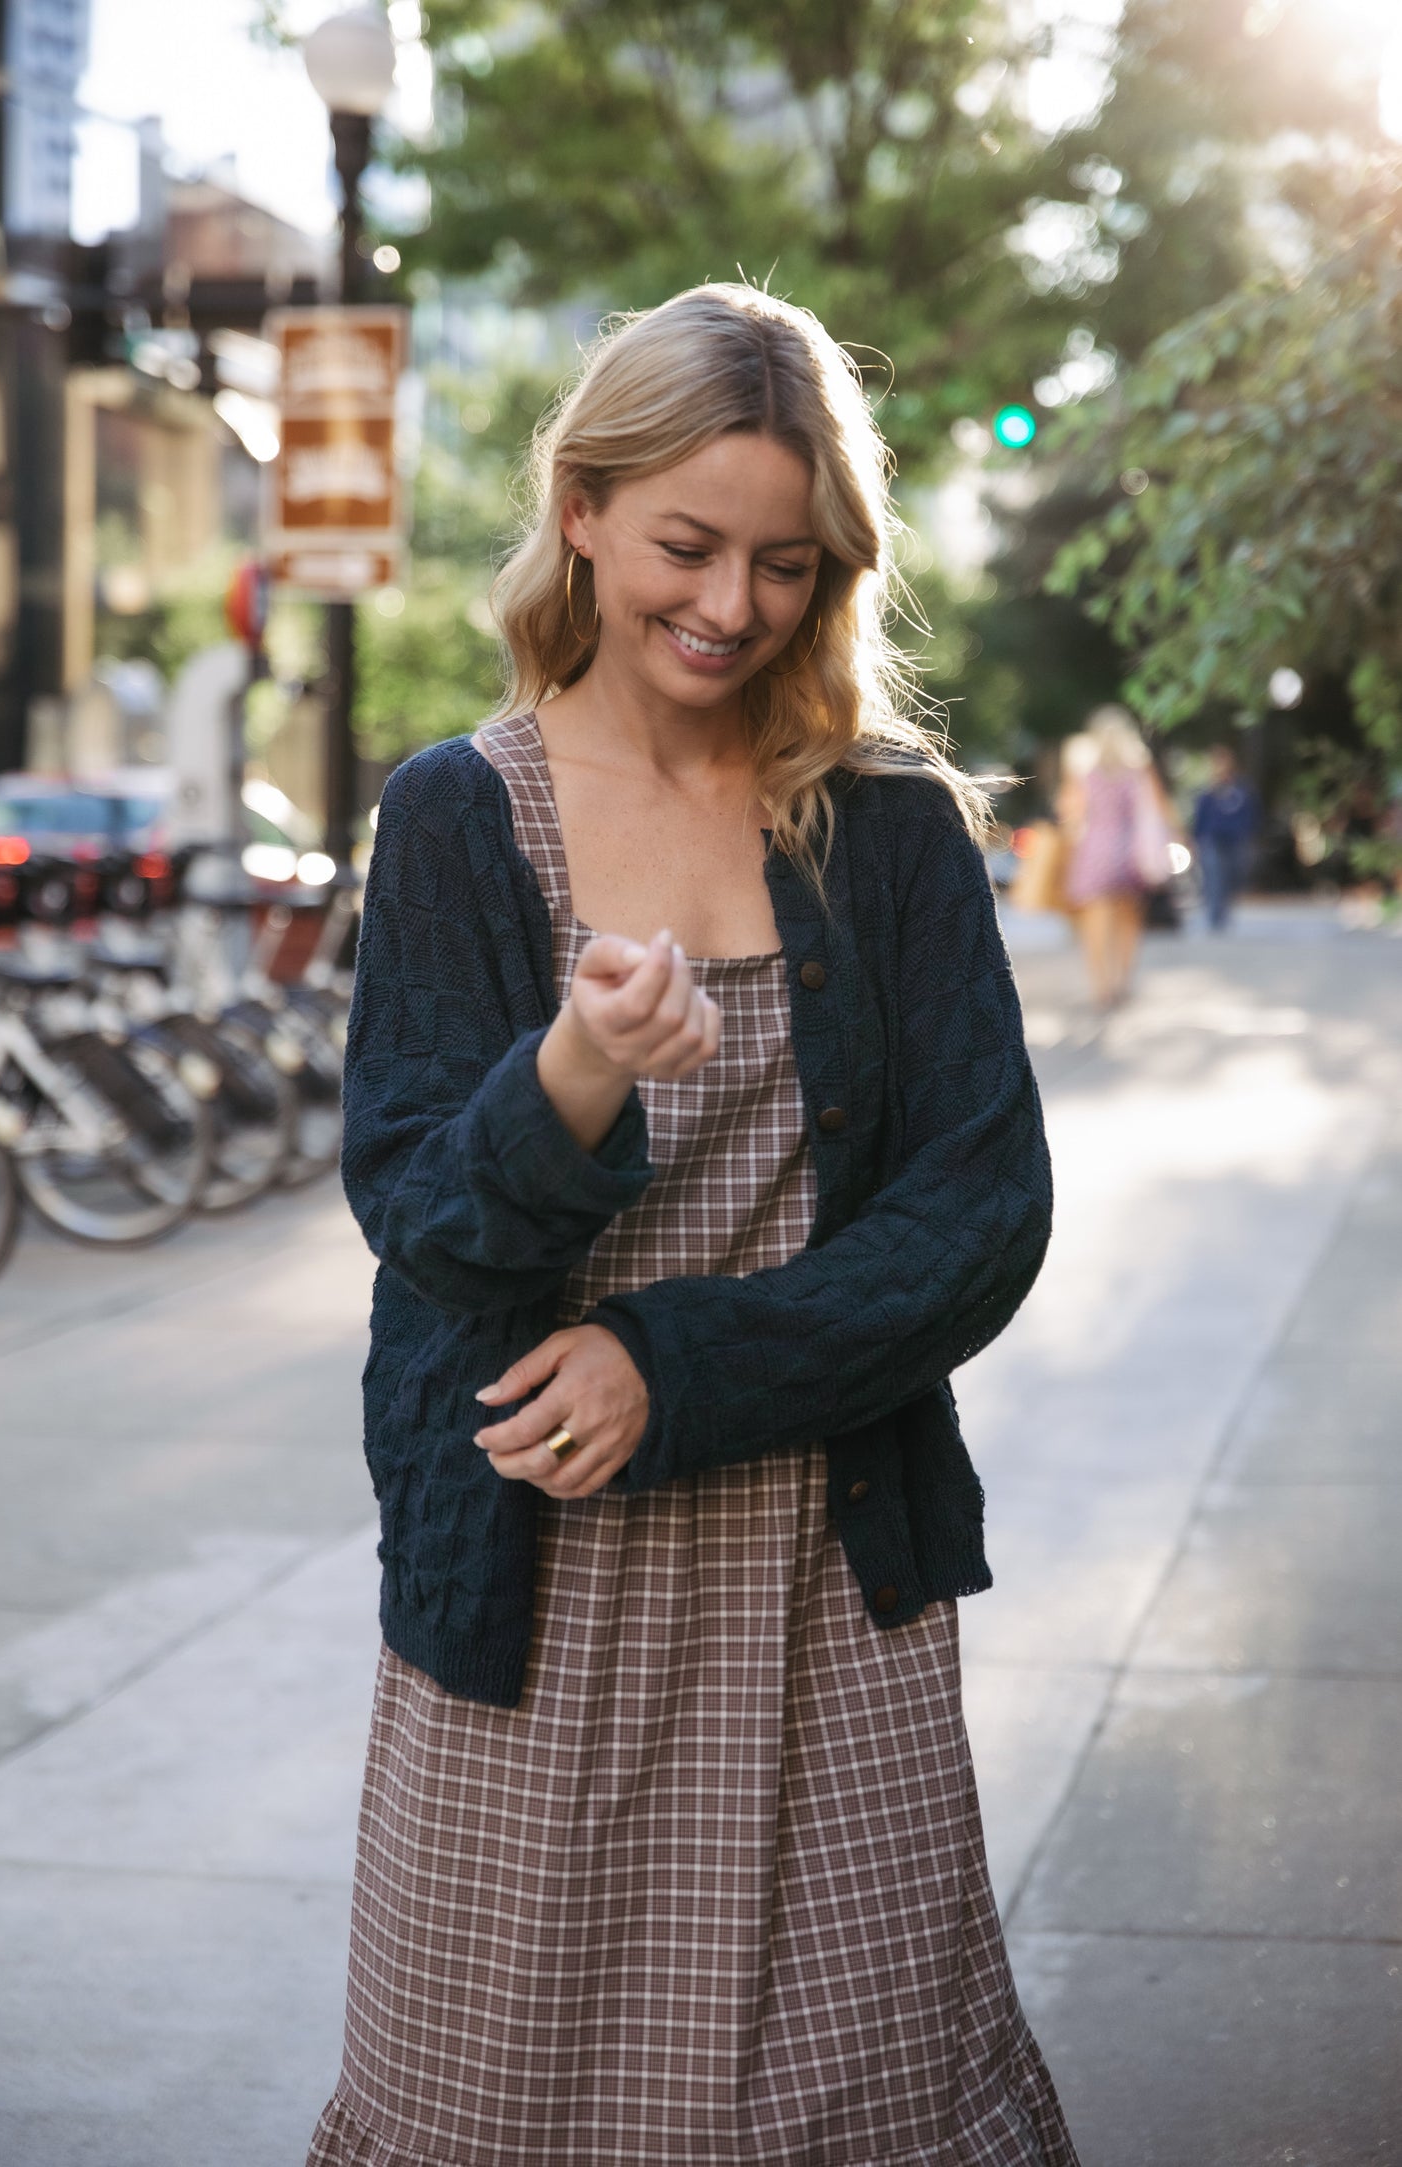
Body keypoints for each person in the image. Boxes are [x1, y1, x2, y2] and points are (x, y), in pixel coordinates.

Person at [307, 285, 1077, 2167]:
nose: (732, 604)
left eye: (788, 565)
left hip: (829, 1570)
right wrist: (572, 1068)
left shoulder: (887, 827)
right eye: (687, 544)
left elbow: (983, 1207)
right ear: (582, 508)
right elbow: (422, 1216)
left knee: (862, 2088)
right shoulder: (458, 817)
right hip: (533, 1585)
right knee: (501, 2089)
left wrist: (675, 1361)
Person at [1058, 705, 1172, 1010]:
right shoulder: (1137, 768)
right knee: (1128, 921)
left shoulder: (1084, 770)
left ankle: (1102, 987)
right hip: (1129, 851)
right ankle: (1122, 982)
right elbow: (1157, 807)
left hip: (1095, 849)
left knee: (1096, 923)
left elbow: (1070, 811)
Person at [1191, 745, 1258, 931]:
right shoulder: (1208, 792)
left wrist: (1248, 833)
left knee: (1232, 876)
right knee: (1213, 876)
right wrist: (1195, 840)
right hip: (1212, 840)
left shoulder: (1241, 789)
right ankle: (1214, 916)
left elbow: (1251, 813)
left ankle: (1224, 911)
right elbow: (1200, 817)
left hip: (1236, 840)